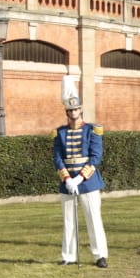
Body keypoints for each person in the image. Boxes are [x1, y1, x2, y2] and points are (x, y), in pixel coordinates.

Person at [53, 98, 109, 267]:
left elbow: (95, 157)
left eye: (75, 109)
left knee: (93, 219)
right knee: (68, 220)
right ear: (67, 112)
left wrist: (80, 178)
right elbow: (57, 158)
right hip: (68, 183)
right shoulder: (59, 132)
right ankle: (69, 256)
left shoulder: (92, 130)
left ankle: (100, 255)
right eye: (70, 110)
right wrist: (68, 179)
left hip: (88, 182)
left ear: (80, 110)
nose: (73, 113)